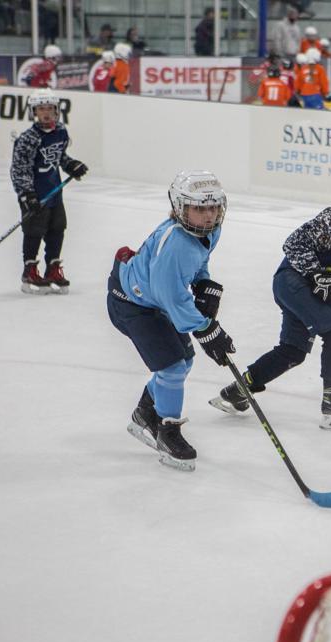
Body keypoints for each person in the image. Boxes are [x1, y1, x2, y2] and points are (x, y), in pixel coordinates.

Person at [209, 179, 331, 432]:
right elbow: (295, 243)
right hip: (292, 282)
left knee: (293, 351)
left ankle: (237, 391)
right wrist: (316, 272)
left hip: (312, 296)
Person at [108, 170, 236, 471]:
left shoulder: (208, 232)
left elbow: (198, 263)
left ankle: (144, 414)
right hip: (133, 304)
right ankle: (168, 430)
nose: (208, 215)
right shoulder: (175, 243)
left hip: (152, 299)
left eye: (213, 207)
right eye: (199, 208)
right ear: (180, 207)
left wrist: (203, 283)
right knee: (172, 367)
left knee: (184, 362)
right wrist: (207, 330)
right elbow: (172, 298)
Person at [9, 89, 89, 294]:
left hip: (54, 193)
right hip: (35, 195)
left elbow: (60, 158)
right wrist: (27, 195)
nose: (45, 113)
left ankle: (53, 268)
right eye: (40, 109)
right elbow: (19, 169)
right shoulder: (29, 138)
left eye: (49, 108)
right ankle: (30, 270)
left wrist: (72, 165)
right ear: (34, 112)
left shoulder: (61, 132)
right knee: (34, 231)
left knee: (57, 228)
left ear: (56, 110)